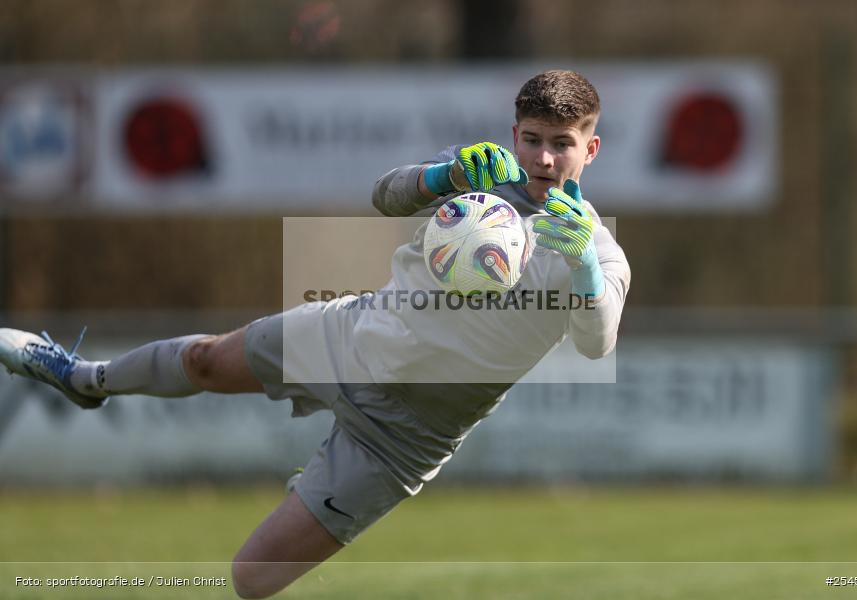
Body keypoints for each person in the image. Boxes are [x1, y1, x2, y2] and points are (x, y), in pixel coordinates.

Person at [0, 69, 629, 599]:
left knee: (251, 579)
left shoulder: (598, 252)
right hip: (351, 335)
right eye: (533, 139)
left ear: (590, 149)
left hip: (405, 435)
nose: (544, 158)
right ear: (513, 132)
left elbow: (597, 342)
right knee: (205, 361)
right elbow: (385, 196)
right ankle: (82, 378)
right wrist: (441, 178)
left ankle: (320, 482)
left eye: (563, 144)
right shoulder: (481, 177)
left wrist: (578, 264)